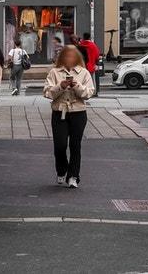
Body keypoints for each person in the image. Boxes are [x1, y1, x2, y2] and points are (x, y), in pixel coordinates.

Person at [43, 45, 94, 188]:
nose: (69, 59)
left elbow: (89, 93)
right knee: (60, 145)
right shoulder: (54, 72)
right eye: (67, 56)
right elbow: (47, 93)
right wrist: (61, 86)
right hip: (59, 112)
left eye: (72, 56)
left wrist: (77, 86)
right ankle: (61, 169)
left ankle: (73, 176)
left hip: (78, 112)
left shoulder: (83, 73)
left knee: (75, 145)